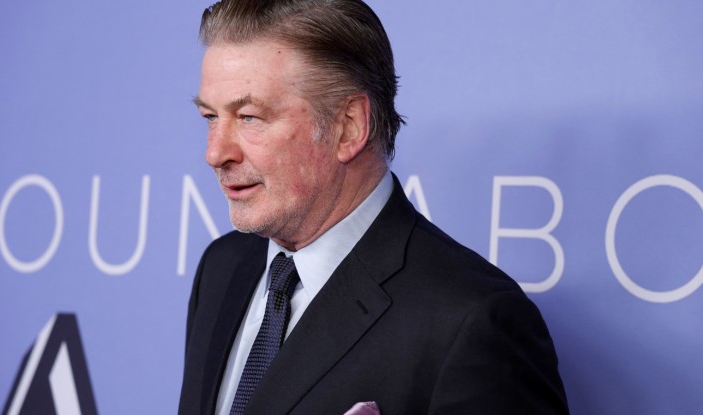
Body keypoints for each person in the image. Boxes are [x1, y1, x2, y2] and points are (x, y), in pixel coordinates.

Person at [178, 0, 569, 414]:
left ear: (349, 127)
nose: (215, 153)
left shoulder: (471, 322)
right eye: (210, 117)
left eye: (249, 117)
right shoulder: (222, 268)